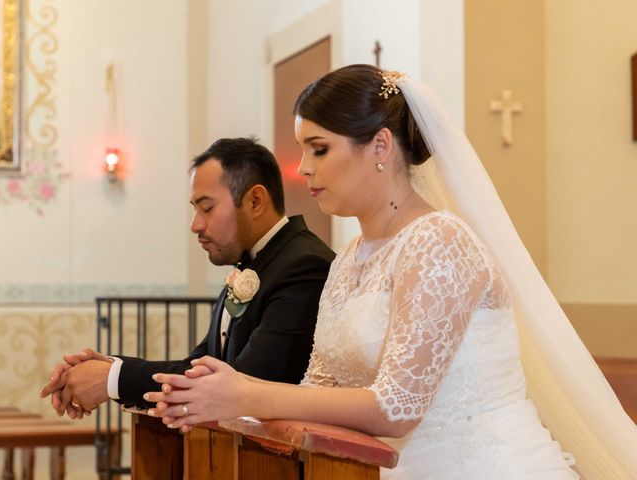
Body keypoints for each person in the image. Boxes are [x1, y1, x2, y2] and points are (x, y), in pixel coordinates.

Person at [144, 66, 637, 479]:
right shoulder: (348, 259)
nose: (303, 169)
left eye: (319, 149)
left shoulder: (439, 243)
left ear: (380, 146)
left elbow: (397, 407)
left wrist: (245, 393)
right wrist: (212, 396)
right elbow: (317, 390)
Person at [40, 137, 335, 416]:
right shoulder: (252, 264)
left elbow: (242, 385)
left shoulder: (304, 266)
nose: (195, 225)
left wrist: (111, 378)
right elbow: (197, 366)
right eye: (196, 210)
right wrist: (109, 367)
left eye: (207, 208)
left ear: (255, 201)